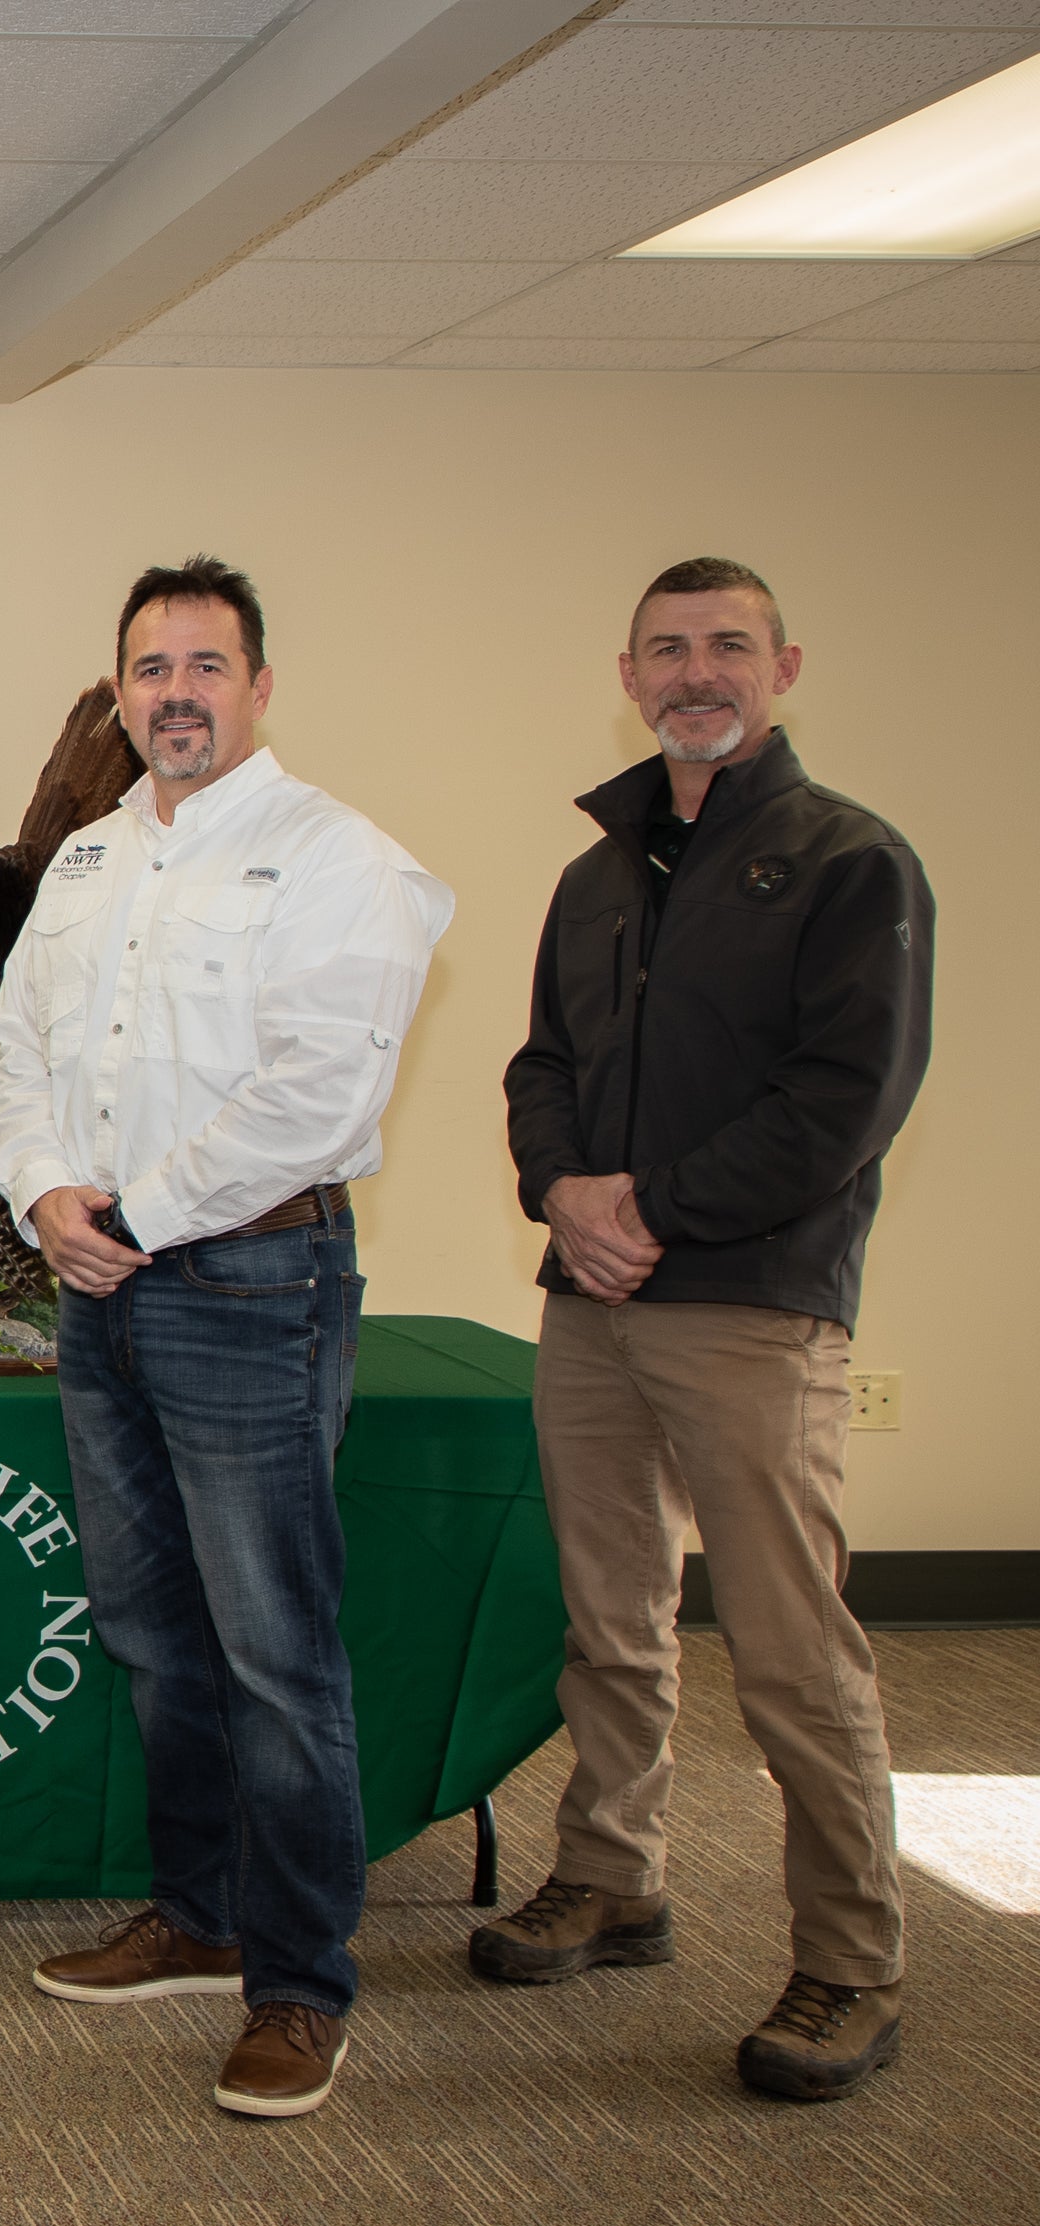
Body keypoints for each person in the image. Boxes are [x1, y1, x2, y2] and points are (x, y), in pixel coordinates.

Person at [0, 557, 453, 2120]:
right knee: (148, 1629)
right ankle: (199, 1914)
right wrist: (49, 1192)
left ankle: (302, 1983)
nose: (173, 692)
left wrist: (139, 1212)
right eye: (147, 667)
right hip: (97, 1284)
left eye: (204, 664)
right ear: (117, 691)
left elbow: (321, 1093)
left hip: (252, 1284)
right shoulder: (87, 863)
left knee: (275, 1649)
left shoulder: (339, 860)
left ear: (258, 685)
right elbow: (18, 1062)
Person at [487, 558, 933, 2103]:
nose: (697, 671)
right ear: (630, 669)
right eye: (669, 648)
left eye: (727, 645)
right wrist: (560, 1191)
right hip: (594, 1309)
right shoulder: (599, 874)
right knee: (609, 1623)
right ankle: (615, 1877)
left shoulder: (847, 863)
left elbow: (841, 1108)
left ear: (783, 665)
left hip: (748, 1305)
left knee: (794, 1654)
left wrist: (647, 1208)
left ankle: (853, 1960)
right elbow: (539, 1064)